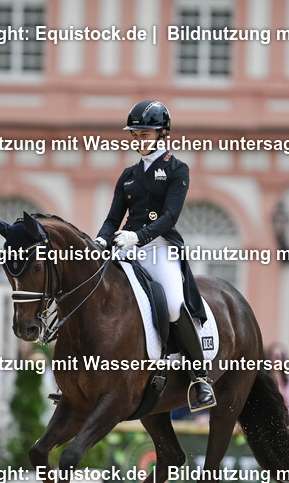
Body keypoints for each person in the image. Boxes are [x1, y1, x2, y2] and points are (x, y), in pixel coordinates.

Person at [94, 100, 214, 411]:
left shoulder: (177, 169)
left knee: (173, 305)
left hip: (159, 247)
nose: (138, 140)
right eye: (134, 134)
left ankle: (200, 378)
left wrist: (139, 236)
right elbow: (112, 218)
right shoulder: (129, 175)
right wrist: (100, 240)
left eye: (144, 134)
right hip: (126, 248)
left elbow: (170, 216)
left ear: (162, 133)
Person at [266, 342, 289, 421]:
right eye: (275, 356)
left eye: (282, 356)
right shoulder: (265, 378)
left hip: (287, 420)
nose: (278, 359)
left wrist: (288, 419)